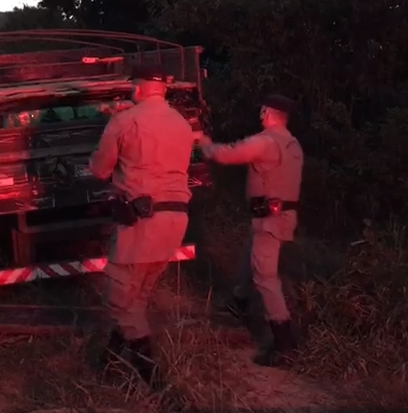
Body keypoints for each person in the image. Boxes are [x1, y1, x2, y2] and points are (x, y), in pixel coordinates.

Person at [89, 64, 195, 391]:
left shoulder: (126, 120)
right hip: (176, 219)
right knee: (138, 293)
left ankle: (156, 385)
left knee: (119, 298)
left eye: (133, 86)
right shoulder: (182, 123)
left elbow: (99, 170)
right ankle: (108, 364)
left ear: (139, 87)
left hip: (142, 221)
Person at [198, 94, 304, 367]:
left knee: (265, 277)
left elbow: (228, 154)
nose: (260, 113)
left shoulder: (265, 142)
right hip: (279, 216)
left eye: (262, 109)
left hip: (270, 219)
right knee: (250, 257)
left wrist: (203, 143)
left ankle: (284, 345)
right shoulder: (292, 144)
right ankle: (238, 303)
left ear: (268, 113)